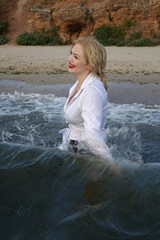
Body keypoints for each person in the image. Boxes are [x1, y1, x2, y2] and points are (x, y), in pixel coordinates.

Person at [59, 36, 113, 161]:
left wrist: (110, 164)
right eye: (71, 54)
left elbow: (92, 134)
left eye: (76, 57)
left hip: (85, 151)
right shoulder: (79, 85)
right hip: (73, 145)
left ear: (90, 65)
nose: (69, 59)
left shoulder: (91, 92)